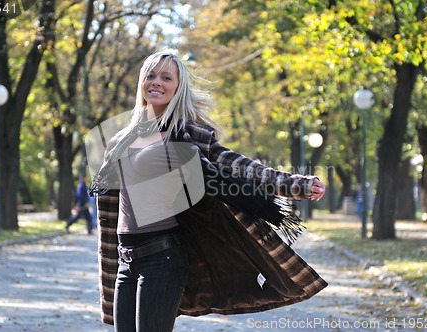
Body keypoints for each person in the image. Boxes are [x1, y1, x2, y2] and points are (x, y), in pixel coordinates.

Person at [89, 51, 327, 332]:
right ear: (141, 82)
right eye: (151, 76)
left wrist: (295, 184)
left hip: (161, 260)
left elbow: (240, 167)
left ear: (178, 87)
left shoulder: (186, 134)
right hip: (126, 262)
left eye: (167, 77)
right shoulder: (120, 140)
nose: (157, 82)